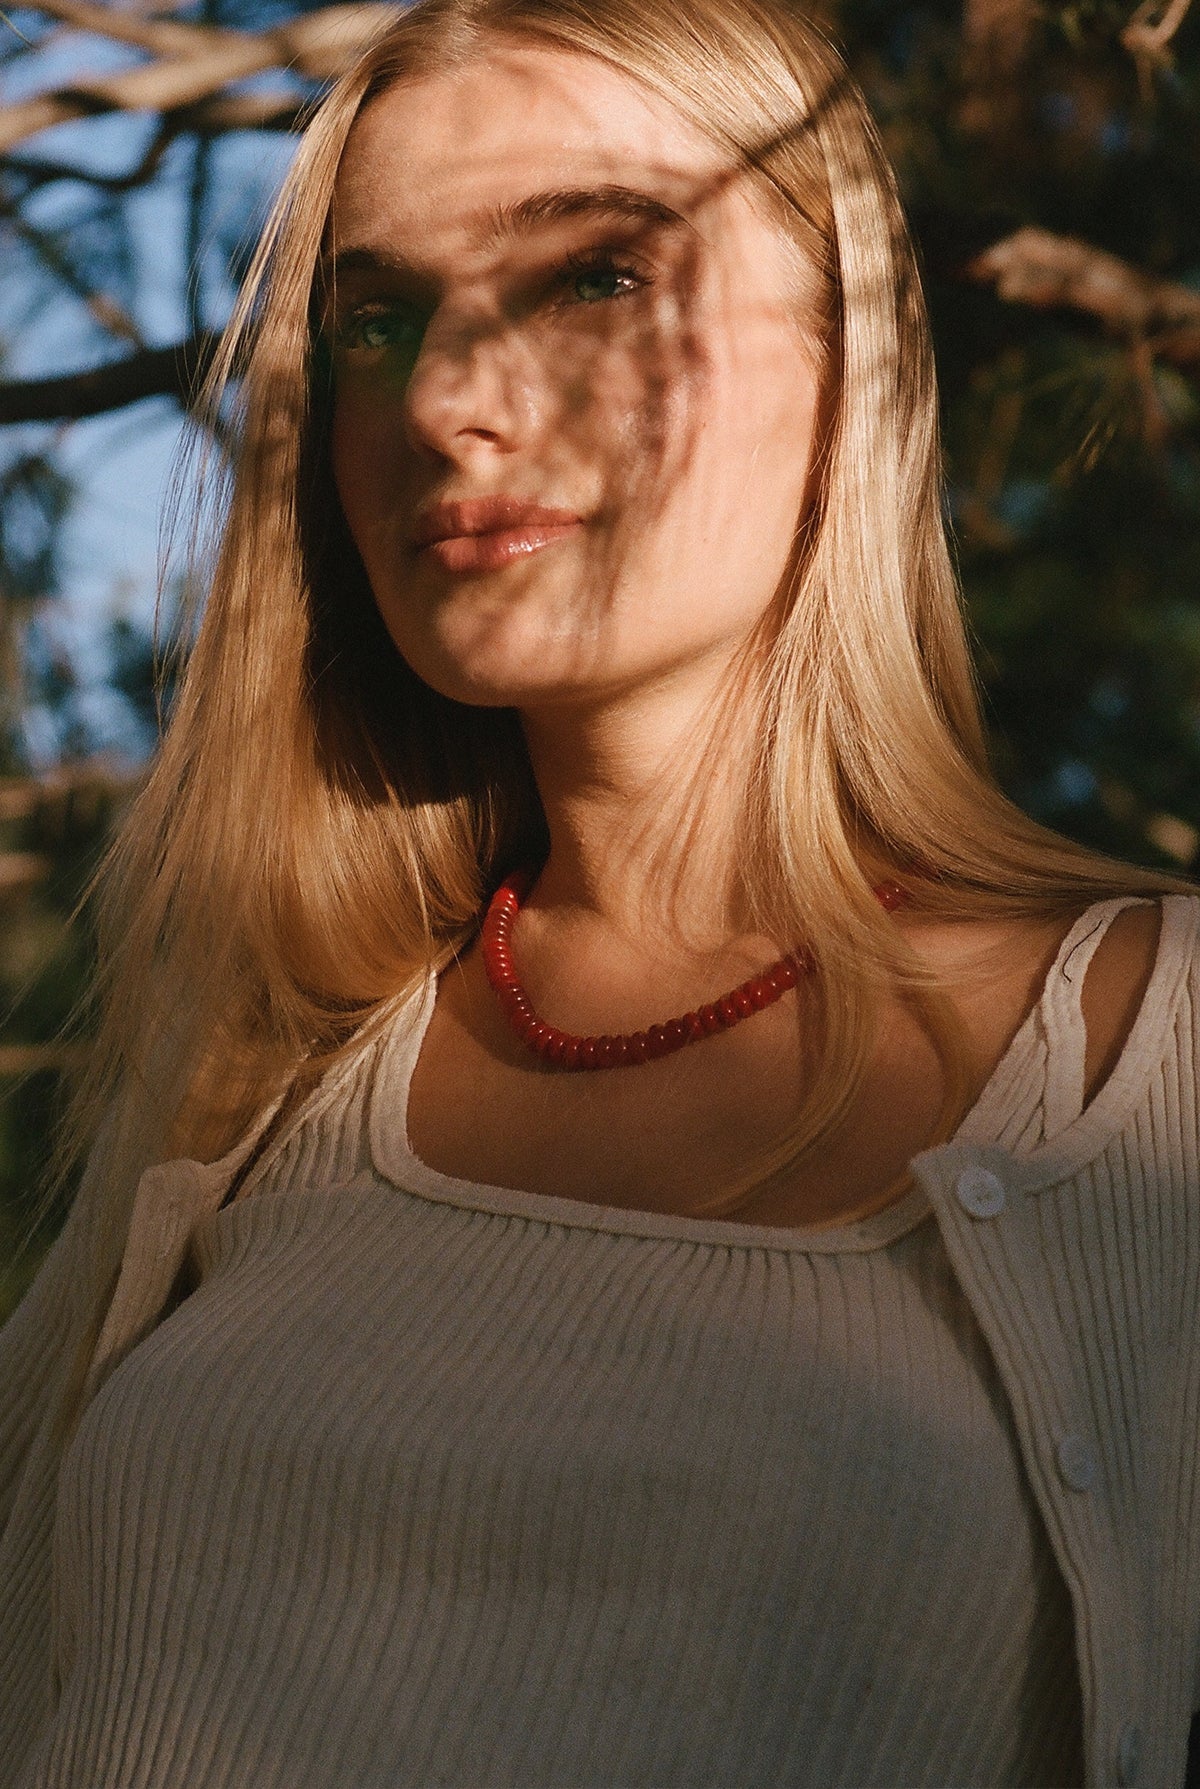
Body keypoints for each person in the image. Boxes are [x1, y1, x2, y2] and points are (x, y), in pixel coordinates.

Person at [0, 0, 1196, 1783]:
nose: (448, 401)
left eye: (595, 278)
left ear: (853, 345)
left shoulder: (1149, 1056)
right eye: (379, 320)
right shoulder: (258, 1073)